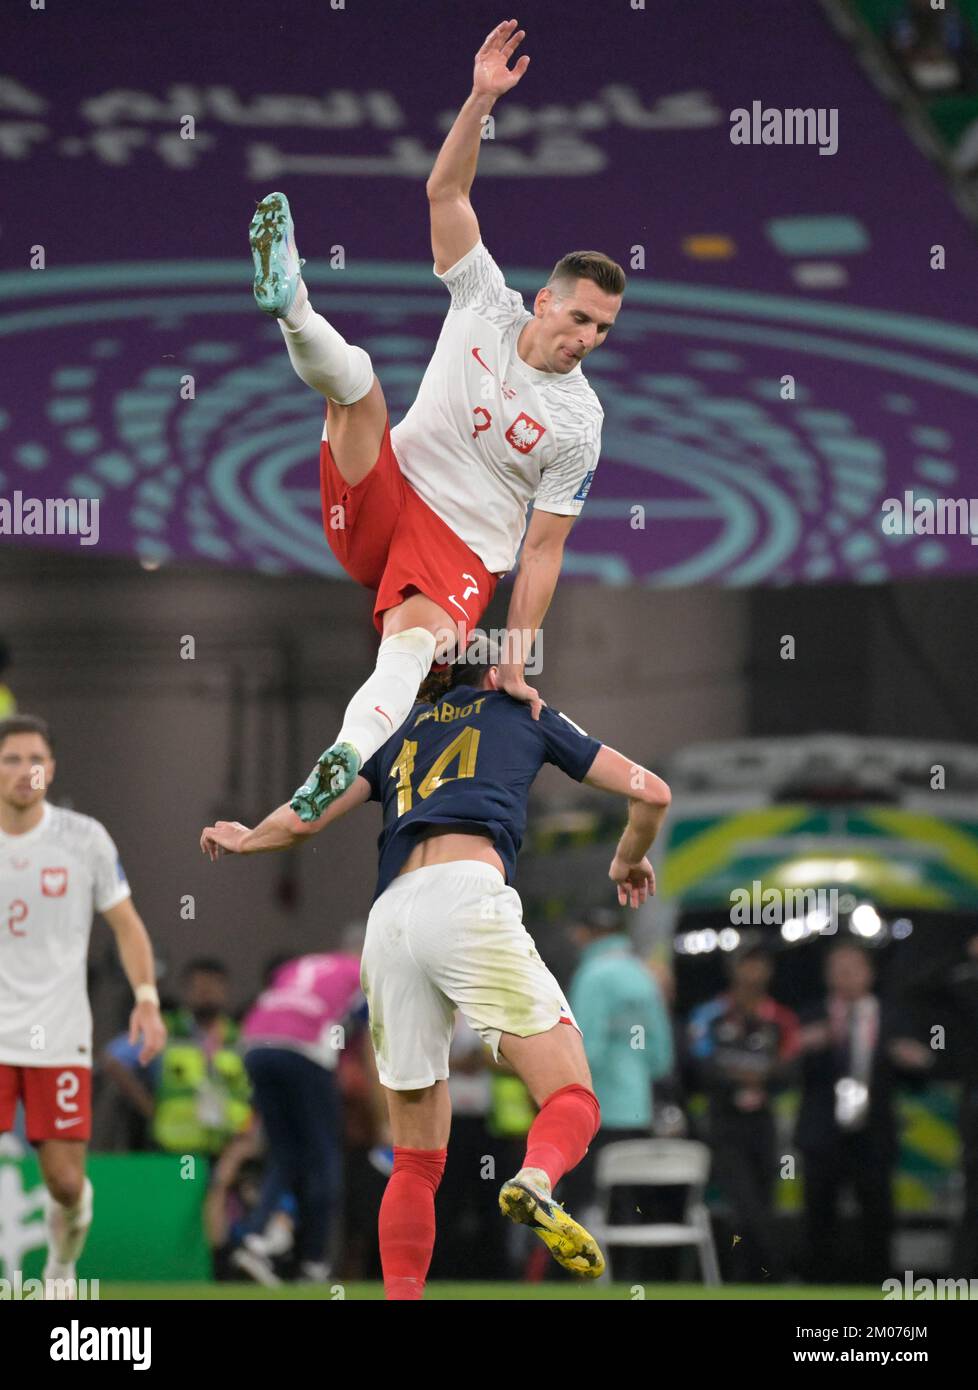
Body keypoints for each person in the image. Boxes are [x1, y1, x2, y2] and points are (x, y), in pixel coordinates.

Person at [200, 637, 671, 1299]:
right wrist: (627, 857)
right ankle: (535, 1180)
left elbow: (308, 814)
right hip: (468, 900)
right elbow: (653, 792)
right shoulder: (522, 713)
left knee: (416, 1160)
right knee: (573, 1098)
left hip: (388, 920)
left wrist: (249, 836)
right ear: (492, 669)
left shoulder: (397, 733)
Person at [249, 18, 624, 821]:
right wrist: (482, 98)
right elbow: (446, 193)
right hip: (388, 492)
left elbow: (544, 548)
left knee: (411, 647)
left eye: (602, 331)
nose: (587, 340)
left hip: (453, 543)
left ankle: (346, 752)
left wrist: (516, 659)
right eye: (581, 319)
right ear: (546, 299)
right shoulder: (486, 299)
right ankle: (293, 306)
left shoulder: (581, 421)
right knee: (359, 392)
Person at [0, 714, 167, 1296]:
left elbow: (127, 925)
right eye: (11, 759)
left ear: (53, 767)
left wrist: (146, 1000)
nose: (26, 771)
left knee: (67, 1185)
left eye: (35, 759)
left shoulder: (83, 838)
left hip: (59, 1031)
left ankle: (60, 1267)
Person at [238, 946, 373, 1283]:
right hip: (304, 1050)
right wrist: (381, 1113)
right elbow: (369, 1047)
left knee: (284, 1153)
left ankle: (255, 1240)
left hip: (254, 1045)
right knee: (325, 1156)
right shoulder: (368, 973)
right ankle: (315, 1261)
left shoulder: (301, 965)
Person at [687, 945, 799, 1281]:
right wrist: (748, 1074)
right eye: (746, 965)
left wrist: (758, 1076)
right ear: (733, 969)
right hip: (725, 1123)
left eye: (759, 965)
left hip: (763, 1124)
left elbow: (790, 1070)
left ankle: (755, 1280)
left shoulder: (782, 1018)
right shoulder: (710, 1014)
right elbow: (700, 1065)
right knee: (744, 1207)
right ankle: (774, 1276)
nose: (753, 973)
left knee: (764, 1204)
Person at [795, 942, 902, 1284]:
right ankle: (819, 1287)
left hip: (873, 1132)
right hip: (823, 1132)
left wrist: (915, 1057)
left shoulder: (892, 1016)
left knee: (877, 1215)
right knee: (819, 1216)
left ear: (869, 973)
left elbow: (925, 1066)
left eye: (854, 968)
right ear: (827, 976)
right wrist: (803, 1046)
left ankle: (877, 1286)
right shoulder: (810, 1016)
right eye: (838, 969)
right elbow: (781, 1067)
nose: (847, 976)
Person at [101, 958, 250, 1157]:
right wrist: (148, 1107)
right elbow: (113, 1058)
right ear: (186, 992)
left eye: (213, 986)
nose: (206, 993)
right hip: (174, 1147)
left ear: (226, 991)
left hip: (228, 1147)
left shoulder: (241, 1038)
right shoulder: (165, 1030)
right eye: (199, 987)